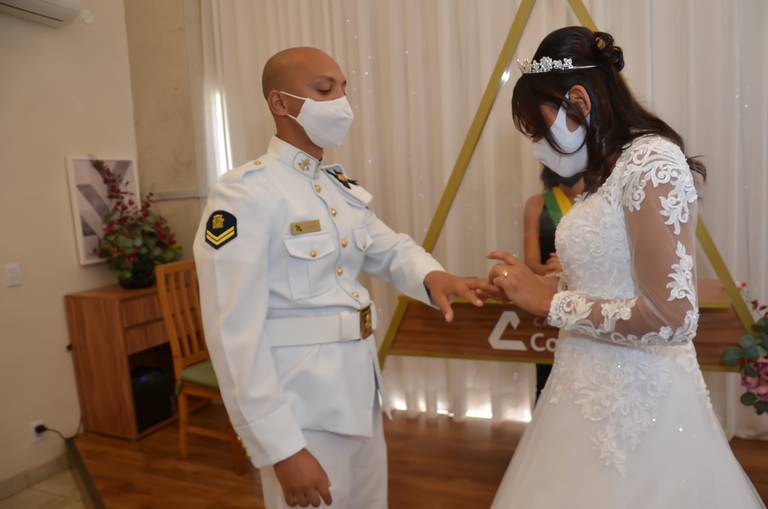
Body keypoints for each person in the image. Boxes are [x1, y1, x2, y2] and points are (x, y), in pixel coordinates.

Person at [193, 47, 493, 509]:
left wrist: (434, 275)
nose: (341, 101)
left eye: (342, 88)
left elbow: (387, 247)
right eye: (323, 89)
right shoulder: (245, 193)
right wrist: (282, 448)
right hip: (301, 408)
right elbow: (234, 335)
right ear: (280, 102)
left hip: (358, 394)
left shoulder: (335, 186)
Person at [485, 27, 765, 508]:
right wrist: (533, 283)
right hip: (581, 387)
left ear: (578, 100)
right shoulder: (605, 169)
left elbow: (673, 318)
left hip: (641, 402)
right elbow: (610, 275)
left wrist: (552, 302)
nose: (535, 144)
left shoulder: (652, 162)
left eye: (537, 128)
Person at [523, 166, 584, 401]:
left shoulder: (598, 202)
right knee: (546, 376)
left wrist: (569, 267)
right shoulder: (536, 204)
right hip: (549, 300)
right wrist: (551, 270)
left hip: (586, 299)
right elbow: (531, 261)